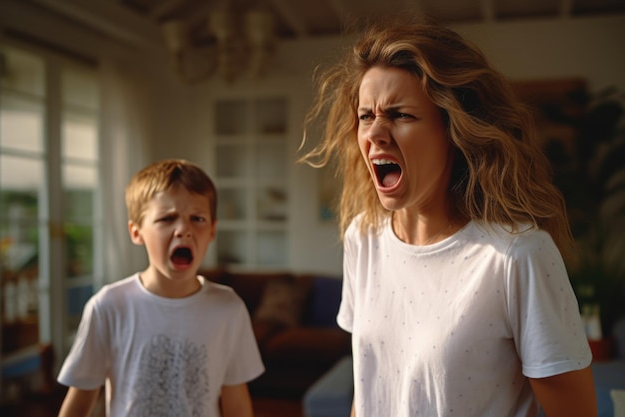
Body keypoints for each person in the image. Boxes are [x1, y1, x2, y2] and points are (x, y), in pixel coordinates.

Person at [299, 14, 597, 417]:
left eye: (400, 115)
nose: (375, 134)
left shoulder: (516, 256)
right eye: (366, 116)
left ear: (453, 131)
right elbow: (371, 388)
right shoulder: (362, 239)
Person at [57, 159, 264, 417]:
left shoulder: (228, 308)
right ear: (136, 232)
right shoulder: (109, 305)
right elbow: (78, 403)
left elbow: (237, 403)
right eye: (167, 218)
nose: (184, 230)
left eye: (197, 218)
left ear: (212, 230)